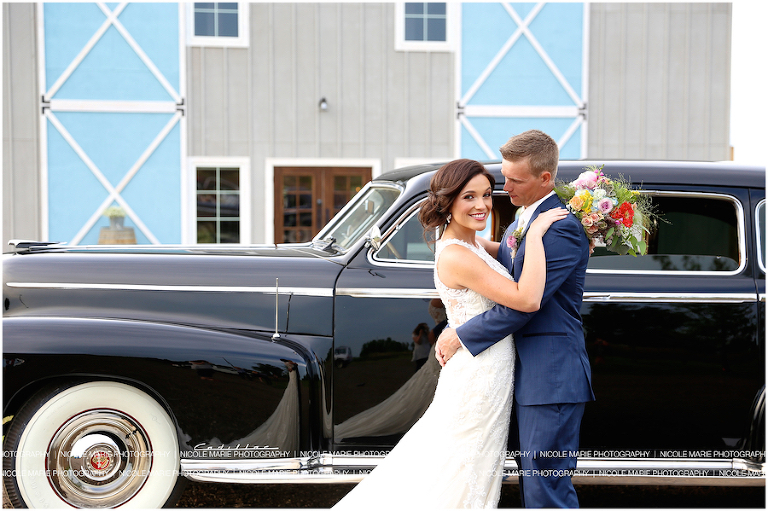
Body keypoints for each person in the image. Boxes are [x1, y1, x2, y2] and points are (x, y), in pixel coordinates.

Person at [333, 158, 567, 509]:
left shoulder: (472, 244)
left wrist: (542, 230)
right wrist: (534, 233)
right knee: (459, 462)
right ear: (449, 202)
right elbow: (527, 298)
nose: (481, 205)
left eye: (487, 195)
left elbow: (505, 252)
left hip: (489, 366)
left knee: (472, 461)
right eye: (468, 197)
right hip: (479, 372)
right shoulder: (457, 254)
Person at [436, 130, 596, 508]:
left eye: (515, 180)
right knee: (533, 483)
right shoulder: (525, 219)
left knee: (546, 486)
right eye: (503, 177)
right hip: (523, 374)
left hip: (551, 374)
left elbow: (527, 303)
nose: (505, 188)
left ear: (545, 178)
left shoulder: (560, 228)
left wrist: (461, 335)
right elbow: (495, 267)